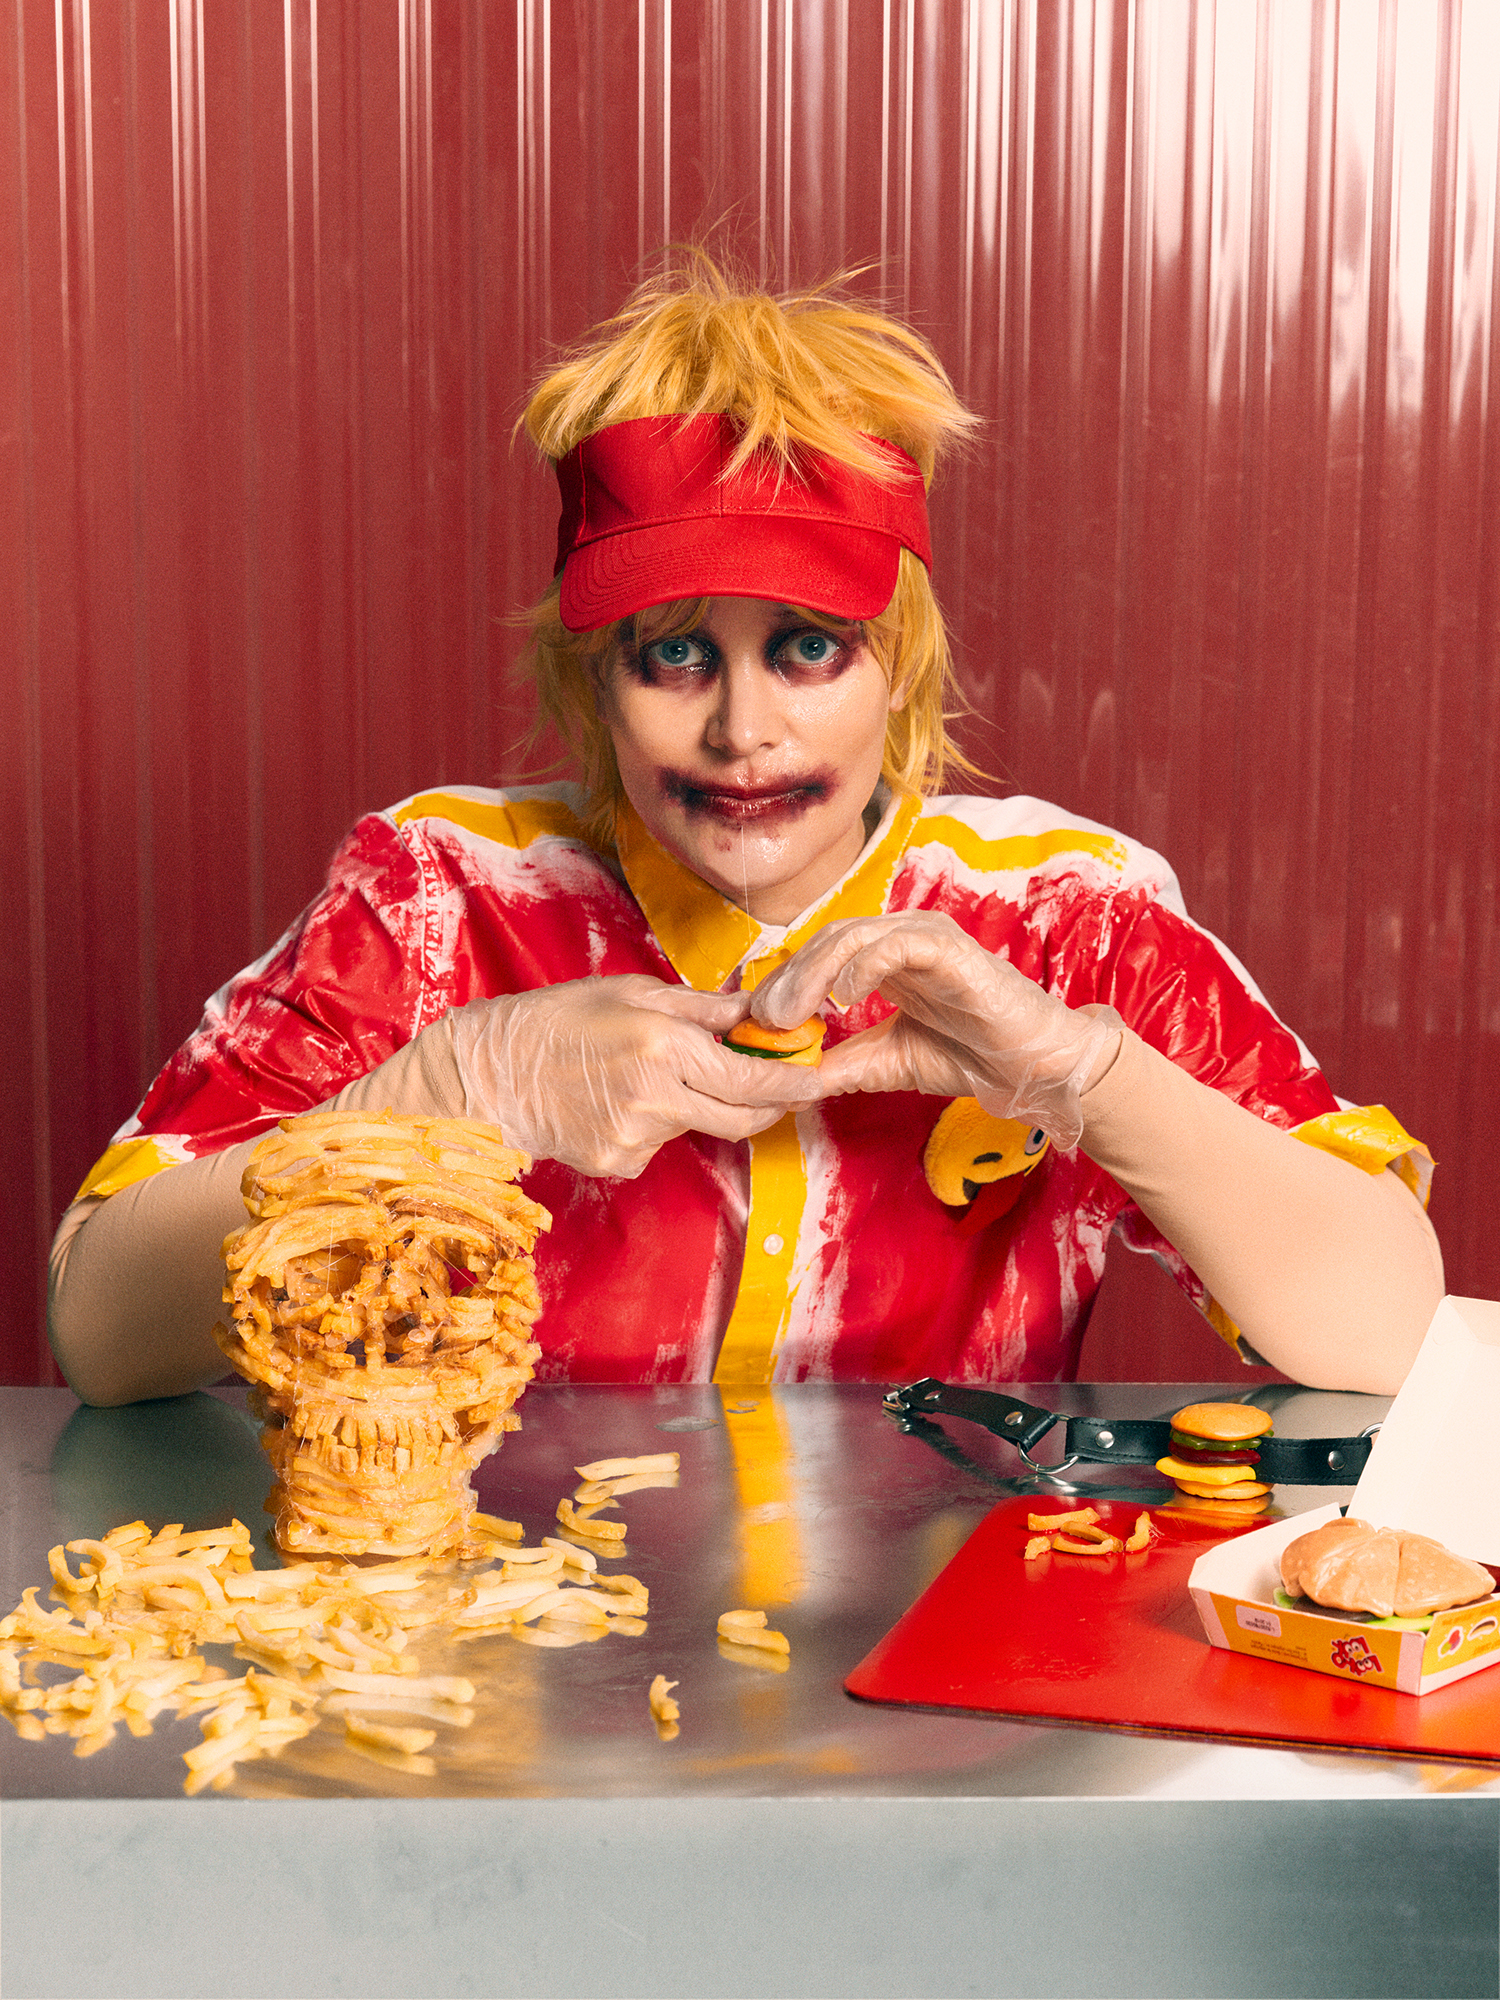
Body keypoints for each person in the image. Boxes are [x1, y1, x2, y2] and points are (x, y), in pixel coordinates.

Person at [49, 258, 1444, 1407]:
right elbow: (101, 1330)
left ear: (900, 663)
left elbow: (1385, 1334)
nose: (745, 733)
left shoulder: (1070, 917)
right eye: (673, 656)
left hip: (952, 1662)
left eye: (806, 649)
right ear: (590, 679)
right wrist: (442, 1094)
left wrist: (1089, 1075)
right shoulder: (438, 897)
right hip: (498, 1647)